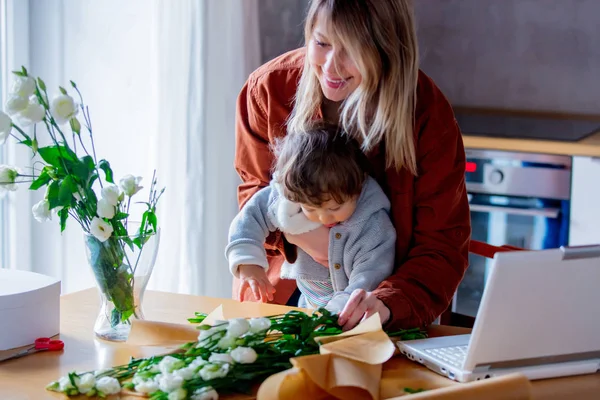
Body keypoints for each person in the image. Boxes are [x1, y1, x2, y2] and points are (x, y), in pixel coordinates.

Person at [233, 0, 471, 331]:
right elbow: (254, 200)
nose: (331, 65)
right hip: (281, 298)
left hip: (386, 314)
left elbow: (441, 249)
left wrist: (387, 304)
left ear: (388, 50)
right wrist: (307, 236)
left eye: (353, 50)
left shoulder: (427, 115)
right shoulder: (269, 89)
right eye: (322, 43)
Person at [226, 125, 396, 313]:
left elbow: (370, 276)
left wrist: (335, 314)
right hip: (307, 306)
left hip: (349, 313)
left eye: (334, 208)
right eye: (309, 209)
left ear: (359, 188)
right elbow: (249, 218)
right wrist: (248, 263)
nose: (323, 217)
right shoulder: (292, 194)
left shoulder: (373, 225)